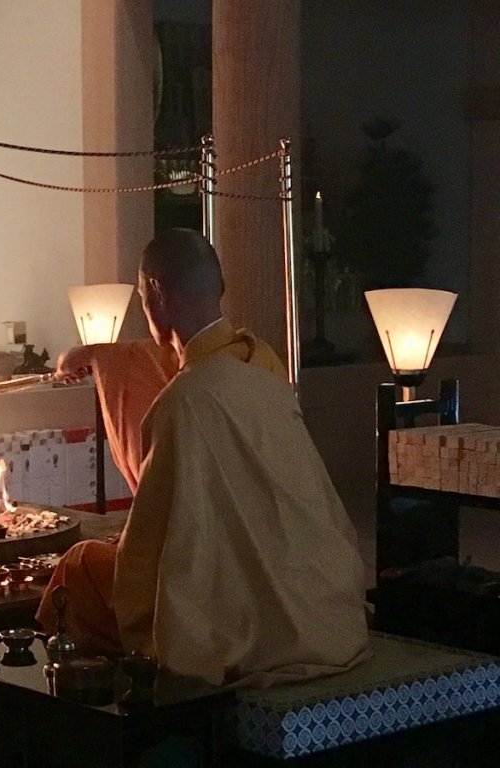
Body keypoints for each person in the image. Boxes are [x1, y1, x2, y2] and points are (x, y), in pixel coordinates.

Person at [37, 228, 370, 687]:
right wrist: (92, 355)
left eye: (140, 294)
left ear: (155, 291)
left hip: (239, 606)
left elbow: (150, 547)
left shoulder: (184, 400)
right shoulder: (265, 369)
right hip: (322, 597)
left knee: (79, 567)